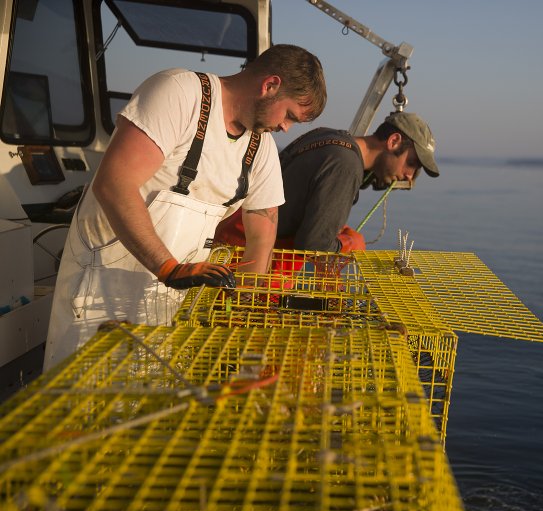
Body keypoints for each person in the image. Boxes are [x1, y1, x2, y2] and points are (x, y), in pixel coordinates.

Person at [44, 44, 327, 370]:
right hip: (102, 284)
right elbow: (114, 183)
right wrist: (168, 268)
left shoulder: (258, 146)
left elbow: (263, 230)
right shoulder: (178, 93)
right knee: (78, 398)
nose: (286, 128)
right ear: (270, 85)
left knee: (140, 403)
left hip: (168, 297)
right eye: (290, 115)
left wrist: (244, 305)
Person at [213, 112, 440, 253]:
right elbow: (313, 246)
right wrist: (352, 245)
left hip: (228, 240)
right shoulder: (345, 166)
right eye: (412, 163)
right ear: (393, 141)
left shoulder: (329, 139)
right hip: (246, 261)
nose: (410, 176)